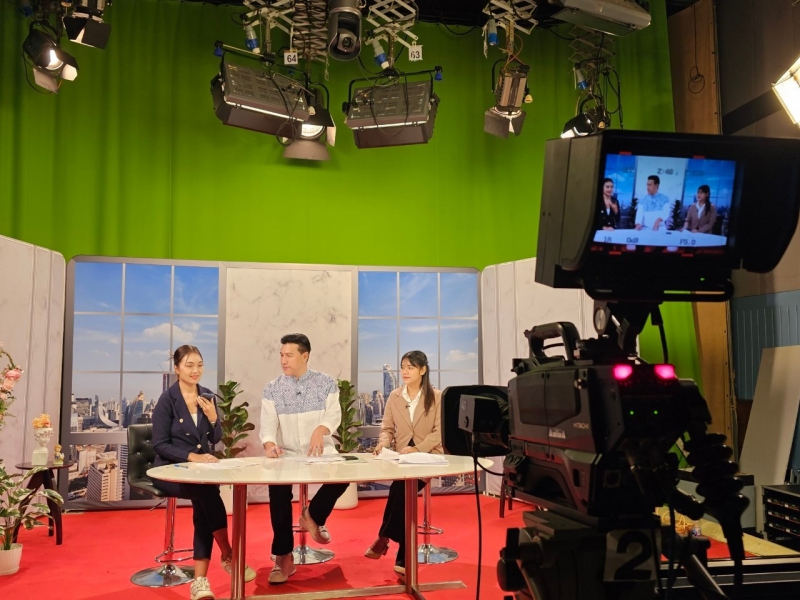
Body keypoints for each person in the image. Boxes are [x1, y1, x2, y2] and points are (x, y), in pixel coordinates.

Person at [152, 345, 256, 600]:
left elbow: (215, 438)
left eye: (199, 365)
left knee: (204, 502)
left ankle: (200, 582)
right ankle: (228, 553)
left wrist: (213, 418)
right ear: (177, 369)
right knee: (206, 493)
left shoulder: (208, 396)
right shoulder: (167, 400)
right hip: (170, 469)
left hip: (200, 471)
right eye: (189, 365)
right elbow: (160, 445)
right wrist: (192, 456)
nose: (195, 370)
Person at [260, 333, 348, 584]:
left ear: (305, 356)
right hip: (287, 454)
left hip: (320, 451)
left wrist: (320, 430)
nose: (283, 360)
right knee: (278, 490)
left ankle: (313, 516)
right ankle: (283, 557)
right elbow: (268, 424)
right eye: (281, 355)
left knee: (343, 476)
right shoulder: (272, 388)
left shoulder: (326, 383)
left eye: (289, 355)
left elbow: (333, 414)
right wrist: (269, 443)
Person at [365, 350, 442, 576]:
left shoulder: (437, 396)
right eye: (403, 367)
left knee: (401, 489)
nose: (405, 372)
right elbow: (387, 428)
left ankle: (385, 537)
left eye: (410, 367)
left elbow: (439, 432)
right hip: (402, 458)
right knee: (402, 491)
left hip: (428, 456)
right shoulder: (395, 396)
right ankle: (402, 555)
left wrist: (417, 449)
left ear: (423, 370)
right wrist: (382, 444)